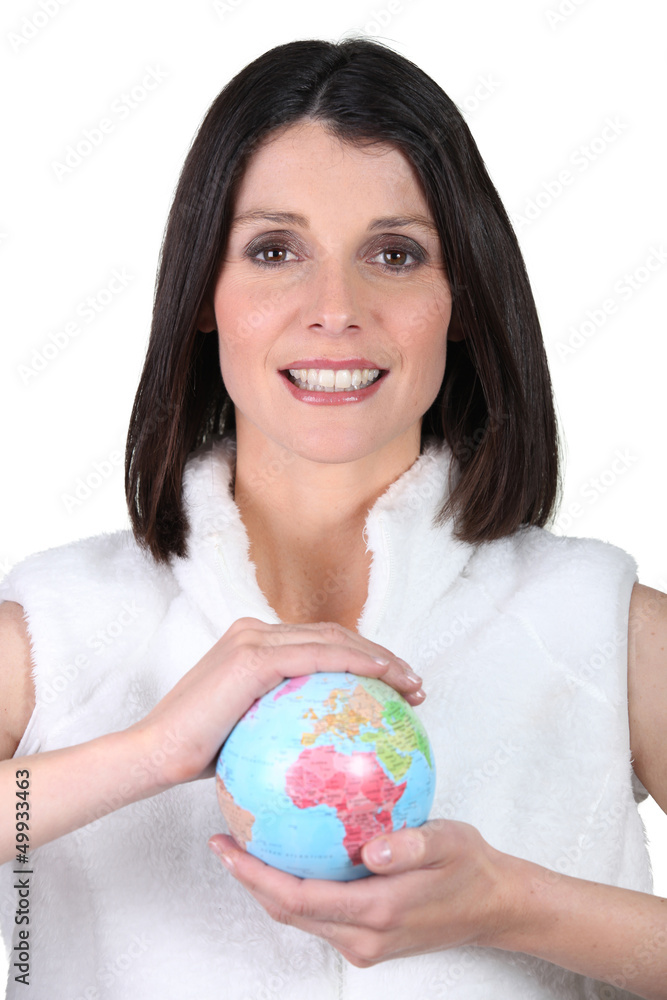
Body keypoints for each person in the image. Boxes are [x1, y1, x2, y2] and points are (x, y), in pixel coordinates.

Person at [1, 35, 665, 1000]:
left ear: (461, 298)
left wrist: (516, 904)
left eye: (394, 254)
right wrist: (145, 756)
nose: (334, 308)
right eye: (275, 249)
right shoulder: (54, 628)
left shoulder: (605, 628)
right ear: (203, 295)